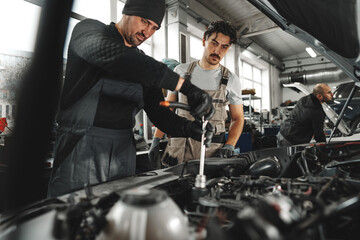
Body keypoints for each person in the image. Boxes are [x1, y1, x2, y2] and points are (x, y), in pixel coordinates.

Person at [47, 0, 214, 197]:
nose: (147, 32)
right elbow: (119, 57)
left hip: (122, 156)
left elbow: (159, 113)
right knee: (73, 221)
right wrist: (186, 87)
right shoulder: (89, 31)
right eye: (144, 21)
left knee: (117, 222)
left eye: (154, 28)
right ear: (126, 12)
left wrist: (188, 128)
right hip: (79, 153)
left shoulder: (143, 65)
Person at [149, 21, 244, 167]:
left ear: (228, 48)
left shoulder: (231, 80)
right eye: (214, 43)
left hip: (210, 151)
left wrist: (230, 145)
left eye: (224, 47)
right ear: (204, 41)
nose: (217, 51)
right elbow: (169, 110)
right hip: (178, 147)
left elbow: (237, 118)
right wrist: (156, 140)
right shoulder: (181, 71)